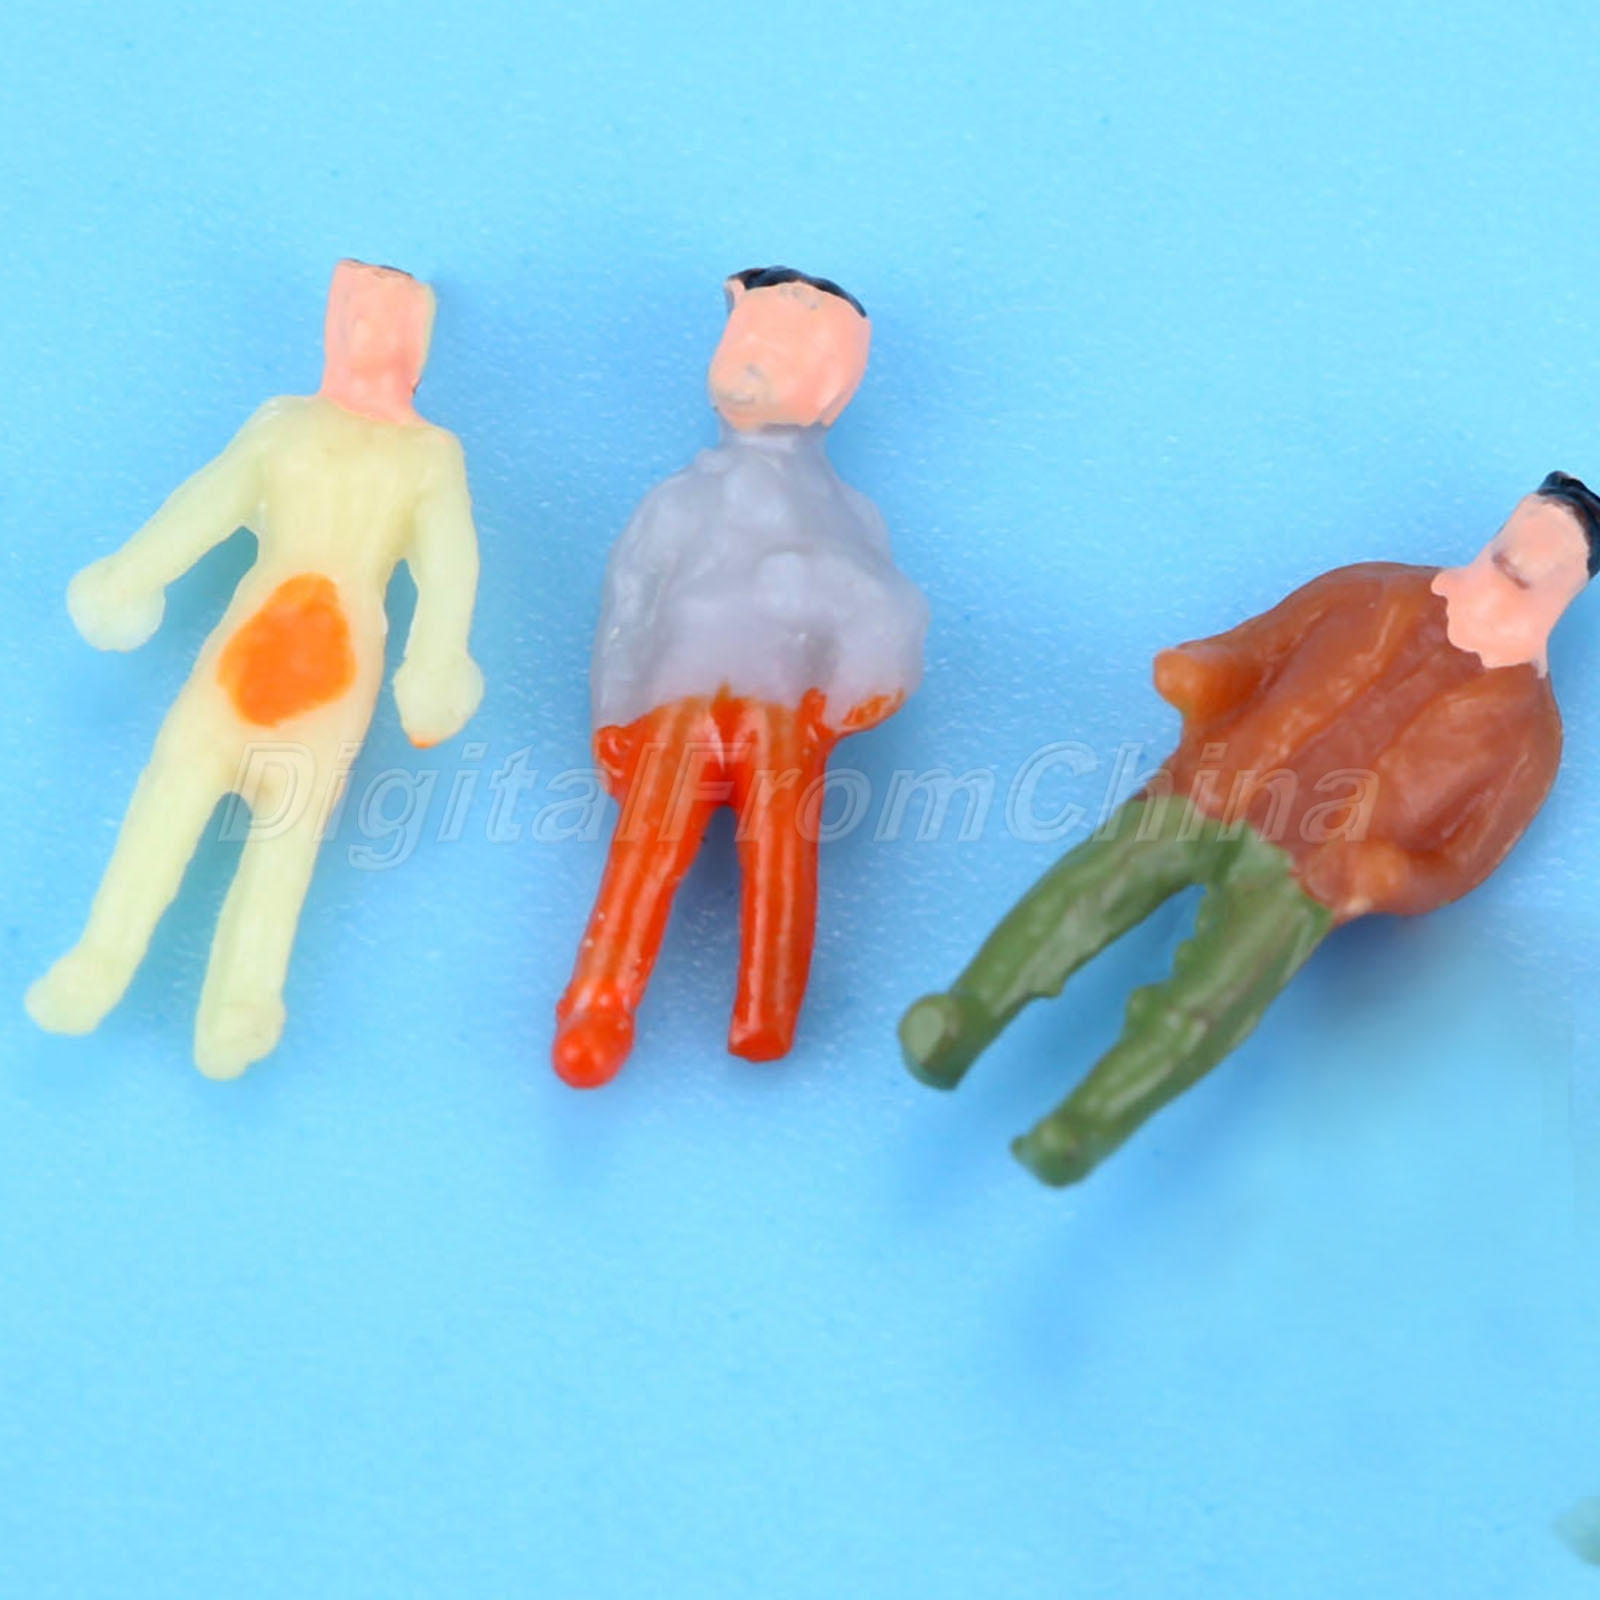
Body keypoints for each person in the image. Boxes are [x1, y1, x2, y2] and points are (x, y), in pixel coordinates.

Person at [901, 475, 1598, 1185]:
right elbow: (1259, 647)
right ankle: (962, 1017)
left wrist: (1392, 876)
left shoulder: (1526, 735)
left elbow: (1462, 860)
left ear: (1568, 588)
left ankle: (1084, 1125)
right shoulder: (1371, 591)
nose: (1521, 559)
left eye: (1544, 562)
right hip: (1213, 786)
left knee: (1211, 999)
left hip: (1313, 874)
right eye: (1522, 536)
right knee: (1087, 890)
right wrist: (1202, 673)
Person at [26, 261, 485, 1078]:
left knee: (288, 836)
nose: (366, 329)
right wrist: (130, 576)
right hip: (243, 652)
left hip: (336, 672)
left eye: (386, 316)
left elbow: (450, 568)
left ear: (416, 339)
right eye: (355, 310)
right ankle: (98, 960)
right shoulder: (283, 426)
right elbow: (205, 505)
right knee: (169, 797)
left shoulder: (428, 457)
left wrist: (438, 662)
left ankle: (245, 1000)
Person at [554, 267, 928, 1086]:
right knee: (643, 855)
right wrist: (614, 710)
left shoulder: (849, 516)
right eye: (747, 337)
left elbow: (885, 615)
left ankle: (768, 1005)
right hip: (677, 705)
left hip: (788, 716)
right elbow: (630, 601)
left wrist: (858, 684)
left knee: (782, 859)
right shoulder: (679, 500)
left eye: (786, 348)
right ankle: (597, 1001)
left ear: (834, 386)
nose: (757, 357)